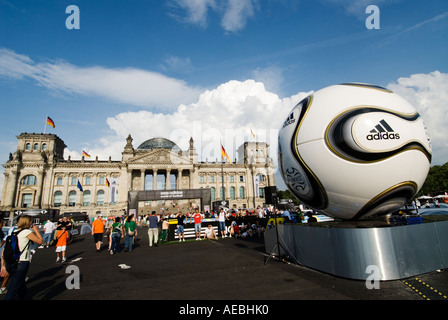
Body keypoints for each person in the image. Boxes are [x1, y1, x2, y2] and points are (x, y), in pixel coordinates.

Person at [1, 215, 43, 300]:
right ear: (27, 222)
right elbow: (40, 241)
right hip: (21, 262)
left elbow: (4, 250)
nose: (32, 223)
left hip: (11, 262)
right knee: (13, 288)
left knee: (21, 284)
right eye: (31, 221)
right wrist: (35, 230)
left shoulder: (14, 232)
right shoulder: (27, 232)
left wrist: (3, 265)